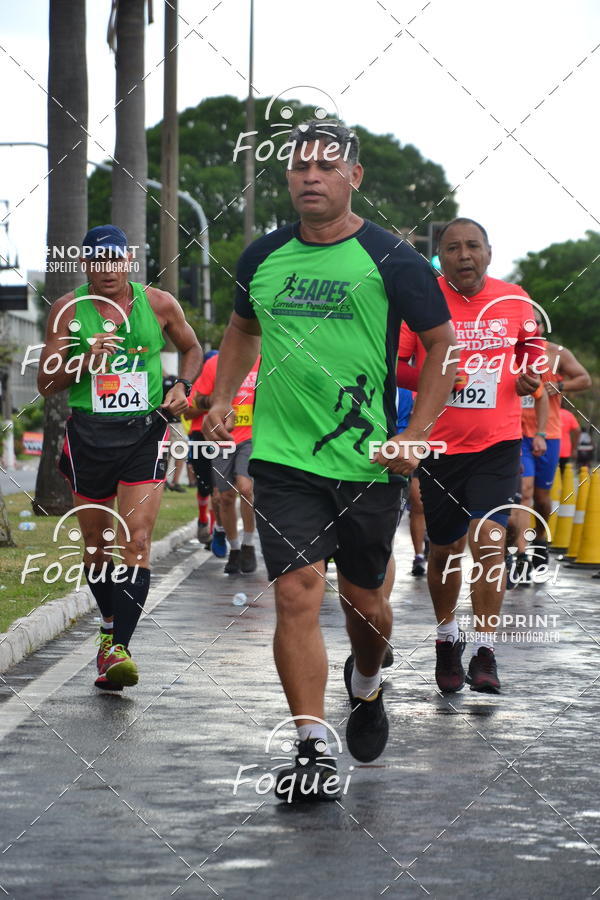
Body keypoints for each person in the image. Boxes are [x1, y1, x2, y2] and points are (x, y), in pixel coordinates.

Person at [204, 120, 456, 799]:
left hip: (368, 462)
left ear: (354, 178)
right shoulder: (262, 257)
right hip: (284, 459)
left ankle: (367, 682)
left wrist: (417, 433)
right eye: (299, 167)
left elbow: (441, 344)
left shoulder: (392, 259)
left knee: (366, 603)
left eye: (325, 166)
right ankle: (312, 744)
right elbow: (240, 329)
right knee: (295, 593)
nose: (310, 177)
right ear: (287, 177)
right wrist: (224, 395)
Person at [39, 224, 201, 690]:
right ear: (86, 264)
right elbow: (46, 383)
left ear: (129, 261)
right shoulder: (68, 311)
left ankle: (118, 649)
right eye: (98, 262)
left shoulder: (158, 304)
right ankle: (109, 625)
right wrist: (83, 360)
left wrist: (182, 387)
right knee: (96, 548)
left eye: (116, 260)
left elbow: (191, 348)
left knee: (137, 542)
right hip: (89, 436)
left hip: (143, 435)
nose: (108, 270)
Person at [397, 218, 544, 695]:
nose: (464, 255)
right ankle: (446, 638)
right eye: (453, 248)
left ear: (488, 253)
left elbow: (533, 353)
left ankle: (484, 649)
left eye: (473, 246)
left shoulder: (514, 298)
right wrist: (435, 378)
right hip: (439, 445)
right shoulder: (423, 300)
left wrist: (529, 379)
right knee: (444, 552)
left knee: (490, 540)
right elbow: (395, 364)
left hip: (498, 443)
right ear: (440, 257)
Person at [520, 317, 590, 569]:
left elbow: (584, 379)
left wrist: (560, 385)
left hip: (547, 434)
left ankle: (539, 540)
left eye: (536, 322)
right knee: (523, 492)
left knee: (541, 497)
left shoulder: (556, 353)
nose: (532, 327)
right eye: (526, 322)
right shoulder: (507, 351)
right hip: (514, 434)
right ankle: (517, 552)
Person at [194, 351, 259, 574]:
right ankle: (235, 549)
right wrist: (216, 401)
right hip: (221, 437)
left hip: (251, 437)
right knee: (225, 497)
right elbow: (196, 398)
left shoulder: (263, 362)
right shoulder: (214, 365)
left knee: (245, 487)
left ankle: (249, 544)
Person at [184, 350, 221, 546]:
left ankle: (215, 530)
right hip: (199, 436)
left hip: (221, 437)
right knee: (204, 484)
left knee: (218, 486)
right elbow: (189, 413)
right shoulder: (198, 386)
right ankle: (202, 519)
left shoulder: (228, 386)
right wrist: (210, 404)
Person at [162, 372, 188, 492]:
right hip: (161, 423)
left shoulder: (174, 380)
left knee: (180, 451)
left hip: (175, 423)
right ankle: (163, 481)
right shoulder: (151, 380)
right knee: (163, 454)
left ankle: (175, 482)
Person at [559, 404, 581, 473]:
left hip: (549, 448)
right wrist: (574, 448)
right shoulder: (568, 414)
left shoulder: (549, 412)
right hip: (565, 450)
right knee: (563, 474)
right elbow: (577, 430)